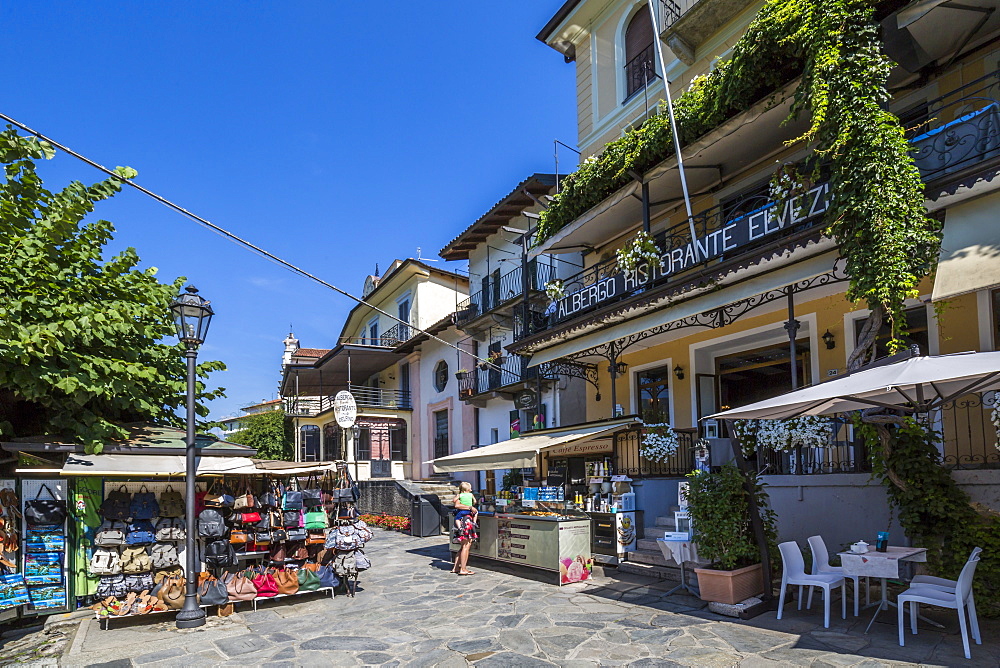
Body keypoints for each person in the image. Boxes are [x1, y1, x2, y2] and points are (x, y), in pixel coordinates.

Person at [451, 482, 478, 575]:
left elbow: (455, 502)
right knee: (466, 546)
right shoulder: (467, 495)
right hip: (466, 521)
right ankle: (463, 569)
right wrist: (470, 507)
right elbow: (457, 505)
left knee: (463, 546)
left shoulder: (460, 495)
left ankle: (456, 568)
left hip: (461, 521)